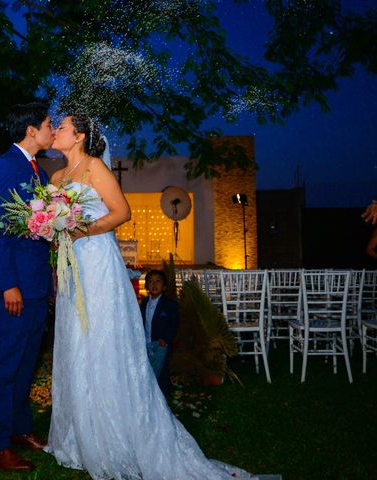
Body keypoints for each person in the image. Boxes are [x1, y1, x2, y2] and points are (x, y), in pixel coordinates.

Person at [45, 113, 250, 479]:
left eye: (61, 126)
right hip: (71, 266)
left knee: (101, 340)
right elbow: (52, 222)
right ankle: (80, 432)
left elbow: (121, 212)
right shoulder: (56, 177)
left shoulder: (94, 168)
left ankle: (114, 432)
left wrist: (81, 231)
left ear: (77, 136)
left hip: (97, 262)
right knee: (75, 341)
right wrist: (53, 231)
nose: (55, 130)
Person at [0, 102, 55, 472]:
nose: (52, 129)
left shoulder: (39, 171)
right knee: (5, 365)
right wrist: (8, 284)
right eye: (47, 124)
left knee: (26, 363)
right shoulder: (4, 167)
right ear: (30, 130)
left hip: (38, 286)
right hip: (16, 289)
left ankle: (18, 429)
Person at [140, 269, 179, 397]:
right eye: (150, 282)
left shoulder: (170, 305)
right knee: (148, 369)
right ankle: (152, 394)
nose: (154, 284)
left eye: (158, 281)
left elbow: (173, 324)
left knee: (162, 370)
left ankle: (163, 395)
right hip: (147, 342)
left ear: (164, 286)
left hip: (161, 343)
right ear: (146, 286)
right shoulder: (144, 303)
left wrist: (166, 339)